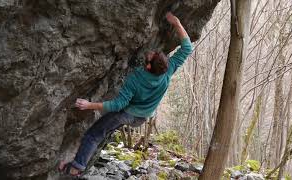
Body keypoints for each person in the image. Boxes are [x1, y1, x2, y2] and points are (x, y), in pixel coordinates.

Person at [59, 12, 193, 177]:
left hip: (127, 114)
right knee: (103, 131)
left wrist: (89, 105)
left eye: (153, 56)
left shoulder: (136, 79)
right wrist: (177, 23)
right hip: (142, 117)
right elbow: (187, 47)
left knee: (93, 135)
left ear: (149, 67)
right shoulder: (168, 68)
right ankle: (79, 161)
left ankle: (75, 168)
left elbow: (118, 105)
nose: (153, 52)